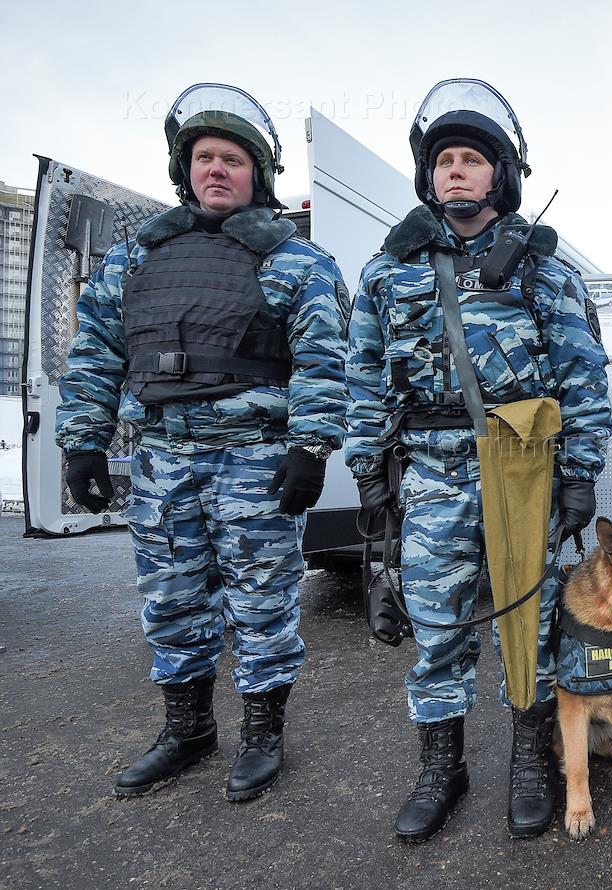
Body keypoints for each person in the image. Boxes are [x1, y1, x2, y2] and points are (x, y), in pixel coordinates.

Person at [55, 83, 349, 801]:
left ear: (260, 174)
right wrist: (83, 442)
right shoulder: (137, 259)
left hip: (254, 457)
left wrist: (310, 449)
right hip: (163, 459)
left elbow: (322, 360)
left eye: (233, 160)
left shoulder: (296, 261)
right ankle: (187, 731)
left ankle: (261, 736)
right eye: (204, 158)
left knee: (261, 603)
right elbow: (95, 350)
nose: (216, 170)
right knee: (172, 601)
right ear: (183, 168)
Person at [345, 78, 611, 841]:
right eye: (443, 161)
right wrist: (368, 471)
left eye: (471, 159)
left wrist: (581, 476)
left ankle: (531, 761)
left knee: (524, 624)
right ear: (428, 177)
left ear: (501, 174)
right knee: (438, 630)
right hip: (428, 477)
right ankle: (442, 766)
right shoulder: (389, 273)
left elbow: (580, 377)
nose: (455, 171)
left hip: (522, 475)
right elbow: (364, 374)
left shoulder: (541, 269)